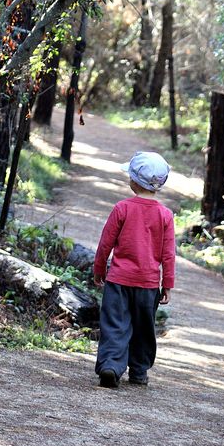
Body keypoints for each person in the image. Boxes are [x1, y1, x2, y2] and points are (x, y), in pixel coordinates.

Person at [93, 151, 175, 388]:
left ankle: (110, 365)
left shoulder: (122, 208)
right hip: (148, 285)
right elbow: (168, 254)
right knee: (144, 328)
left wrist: (100, 269)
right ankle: (139, 371)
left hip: (119, 280)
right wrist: (167, 283)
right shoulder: (165, 215)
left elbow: (105, 243)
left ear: (133, 180)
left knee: (114, 324)